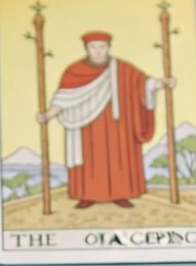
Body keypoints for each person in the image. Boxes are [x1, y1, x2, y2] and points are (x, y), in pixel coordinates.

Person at [38, 31, 168, 209]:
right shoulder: (74, 71)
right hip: (87, 126)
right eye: (93, 47)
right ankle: (87, 195)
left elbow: (143, 83)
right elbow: (63, 99)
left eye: (102, 47)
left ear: (108, 47)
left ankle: (121, 194)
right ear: (87, 48)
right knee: (91, 159)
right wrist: (47, 115)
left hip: (118, 125)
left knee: (119, 157)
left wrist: (162, 84)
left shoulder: (122, 68)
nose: (98, 51)